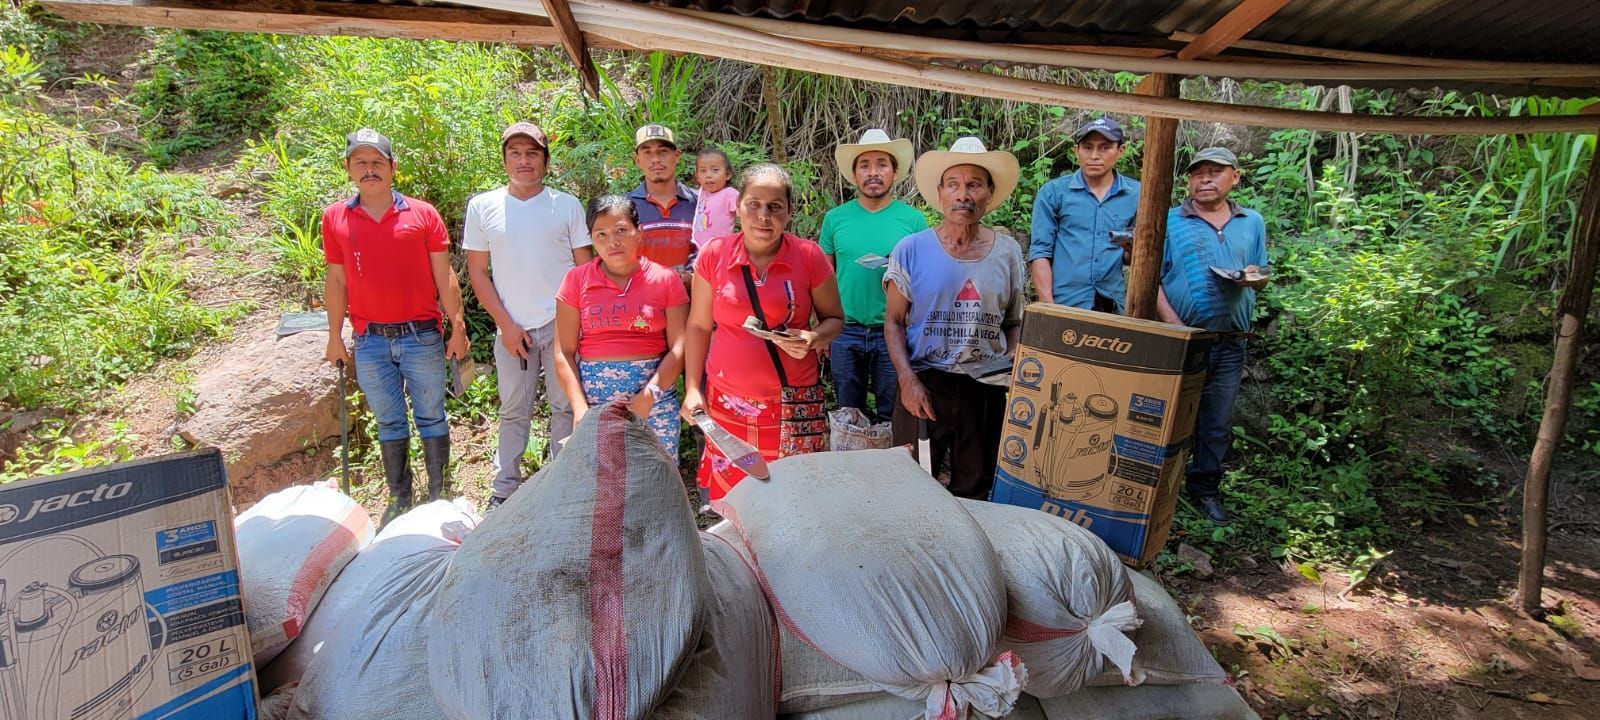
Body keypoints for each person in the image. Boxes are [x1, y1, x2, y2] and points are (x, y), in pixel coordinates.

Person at [322, 128, 469, 523]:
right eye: (360, 163)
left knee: (431, 415)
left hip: (420, 333)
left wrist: (458, 327)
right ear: (349, 168)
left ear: (392, 168)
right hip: (370, 339)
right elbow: (336, 281)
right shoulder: (335, 217)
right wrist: (334, 337)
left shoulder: (422, 214)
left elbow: (446, 276)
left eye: (377, 163)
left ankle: (439, 492)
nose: (369, 170)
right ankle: (400, 499)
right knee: (388, 420)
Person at [682, 163, 845, 501]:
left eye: (775, 207)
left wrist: (814, 338)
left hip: (793, 404)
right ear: (738, 205)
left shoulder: (808, 256)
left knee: (794, 500)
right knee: (735, 501)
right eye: (753, 204)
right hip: (726, 402)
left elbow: (835, 319)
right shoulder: (714, 254)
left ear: (789, 212)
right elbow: (698, 325)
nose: (763, 216)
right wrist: (692, 388)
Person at [885, 136, 1026, 499]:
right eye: (954, 185)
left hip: (984, 386)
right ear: (941, 194)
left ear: (989, 194)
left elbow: (1014, 320)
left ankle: (966, 555)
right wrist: (907, 380)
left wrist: (1010, 362)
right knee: (911, 483)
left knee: (975, 483)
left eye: (974, 185)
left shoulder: (1007, 252)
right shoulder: (911, 249)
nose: (963, 194)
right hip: (924, 380)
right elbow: (894, 321)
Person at [463, 121, 594, 510]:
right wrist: (505, 325)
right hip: (511, 325)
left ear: (546, 160)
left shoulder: (565, 205)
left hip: (560, 322)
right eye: (515, 153)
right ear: (504, 159)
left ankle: (561, 484)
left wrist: (574, 321)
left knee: (564, 406)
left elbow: (584, 268)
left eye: (532, 153)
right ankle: (505, 489)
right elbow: (476, 271)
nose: (524, 161)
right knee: (513, 409)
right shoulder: (483, 207)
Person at [1155, 146, 1270, 525]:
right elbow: (1149, 278)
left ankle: (1203, 489)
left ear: (1234, 177)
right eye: (1197, 172)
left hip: (1232, 341)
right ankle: (1156, 490)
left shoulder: (1251, 222)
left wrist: (1253, 275)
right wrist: (1175, 326)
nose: (1205, 179)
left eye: (1215, 171)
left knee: (1217, 422)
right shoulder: (1169, 220)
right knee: (1167, 415)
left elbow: (1260, 272)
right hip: (1181, 339)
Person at [553, 196, 689, 455]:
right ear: (591, 239)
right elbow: (563, 352)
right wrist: (580, 408)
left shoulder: (665, 280)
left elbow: (680, 348)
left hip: (654, 402)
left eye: (621, 230)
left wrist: (648, 397)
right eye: (601, 234)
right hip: (595, 406)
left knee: (657, 479)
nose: (612, 241)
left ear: (639, 233)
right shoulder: (576, 280)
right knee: (606, 484)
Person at [819, 129, 929, 424]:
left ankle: (891, 466)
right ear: (854, 175)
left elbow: (921, 281)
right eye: (864, 165)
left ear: (894, 172)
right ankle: (850, 468)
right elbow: (823, 278)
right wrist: (823, 331)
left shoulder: (913, 221)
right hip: (845, 331)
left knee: (892, 413)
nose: (873, 173)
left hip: (892, 332)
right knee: (848, 413)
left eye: (882, 164)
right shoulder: (835, 219)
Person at [1029, 117, 1141, 313]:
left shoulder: (1137, 195)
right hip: (1065, 302)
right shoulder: (1054, 192)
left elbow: (1133, 257)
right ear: (1076, 151)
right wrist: (1048, 307)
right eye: (1088, 147)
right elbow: (1040, 252)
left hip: (1112, 303)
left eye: (1105, 148)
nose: (1095, 155)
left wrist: (1133, 250)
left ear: (1120, 151)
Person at [629, 124, 698, 277]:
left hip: (692, 297)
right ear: (637, 160)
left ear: (677, 156)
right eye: (647, 152)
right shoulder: (625, 207)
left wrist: (692, 276)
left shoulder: (700, 203)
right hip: (642, 296)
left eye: (663, 151)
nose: (655, 159)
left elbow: (712, 248)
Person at [691, 147, 739, 250]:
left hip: (719, 250)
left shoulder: (730, 194)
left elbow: (747, 216)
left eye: (715, 170)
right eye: (703, 171)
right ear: (697, 176)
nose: (708, 175)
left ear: (727, 174)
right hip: (697, 249)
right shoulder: (702, 192)